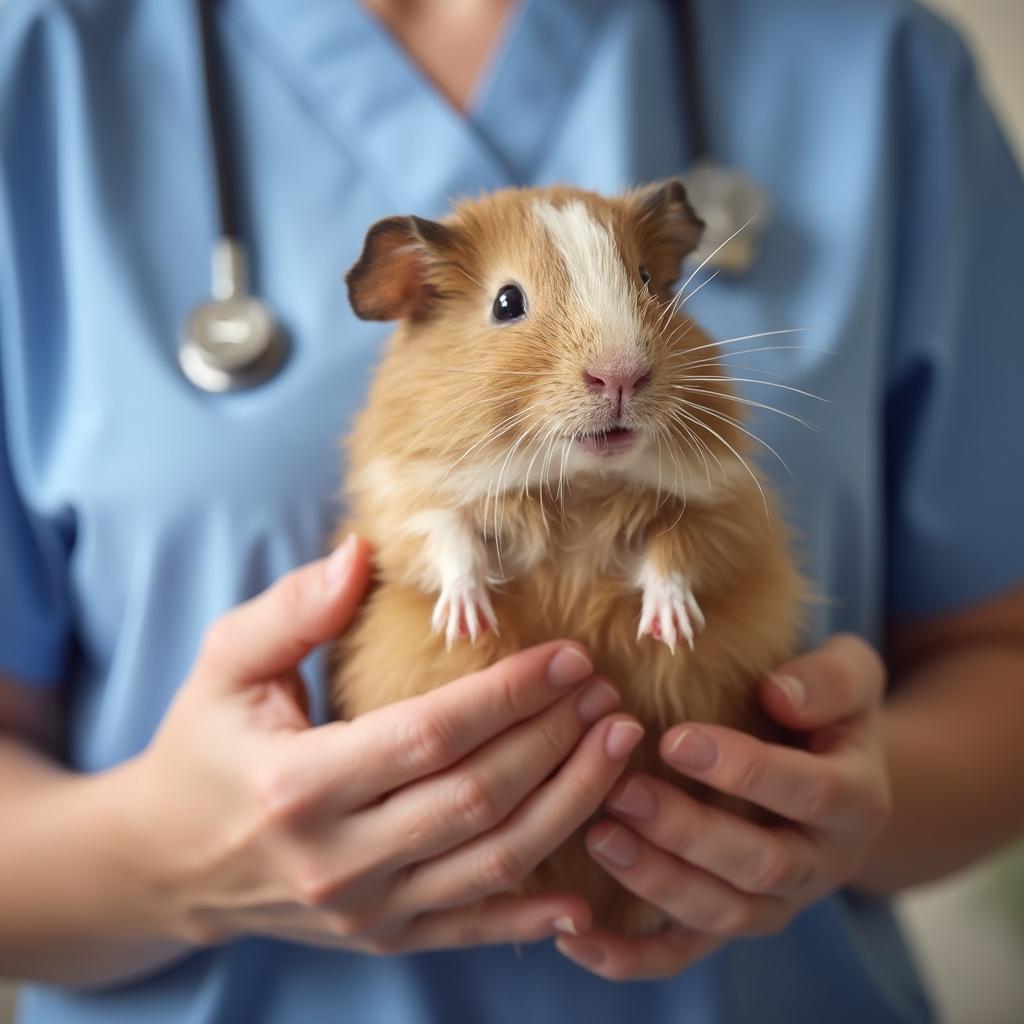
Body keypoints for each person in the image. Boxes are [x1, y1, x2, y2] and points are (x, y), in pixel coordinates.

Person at [1, 0, 1022, 1021]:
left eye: (644, 288)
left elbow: (997, 650)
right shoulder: (42, 69)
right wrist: (171, 861)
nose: (615, 368)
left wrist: (849, 809)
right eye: (511, 308)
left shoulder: (879, 65)